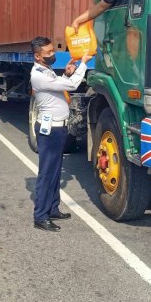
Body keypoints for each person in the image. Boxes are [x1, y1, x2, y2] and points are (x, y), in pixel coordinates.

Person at [29, 37, 91, 232]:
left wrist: (66, 73)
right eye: (48, 53)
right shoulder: (38, 74)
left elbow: (58, 85)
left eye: (52, 51)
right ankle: (40, 215)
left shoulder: (46, 71)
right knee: (47, 173)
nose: (52, 55)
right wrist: (83, 64)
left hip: (58, 128)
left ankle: (53, 208)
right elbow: (71, 86)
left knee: (55, 171)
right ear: (38, 56)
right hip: (50, 130)